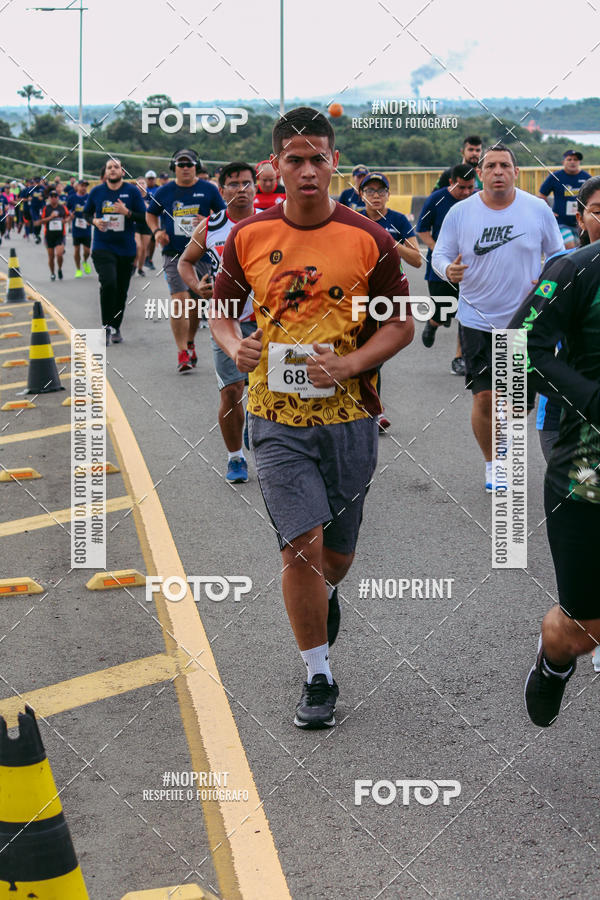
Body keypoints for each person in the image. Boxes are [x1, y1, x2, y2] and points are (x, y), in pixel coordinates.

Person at [211, 107, 413, 729]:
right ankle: (318, 674)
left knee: (337, 557)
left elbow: (401, 323)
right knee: (300, 547)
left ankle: (325, 596)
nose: (305, 170)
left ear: (333, 165)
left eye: (317, 159)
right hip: (274, 419)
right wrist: (231, 344)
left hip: (351, 417)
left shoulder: (368, 239)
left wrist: (350, 367)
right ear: (275, 166)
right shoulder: (248, 237)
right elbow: (221, 310)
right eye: (293, 159)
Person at [508, 176, 600, 727]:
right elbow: (521, 344)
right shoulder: (571, 268)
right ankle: (554, 660)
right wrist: (593, 399)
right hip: (587, 476)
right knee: (583, 628)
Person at [432, 143, 563, 491]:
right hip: (477, 318)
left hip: (525, 321)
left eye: (505, 165)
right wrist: (448, 270)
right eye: (490, 166)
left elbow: (559, 256)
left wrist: (547, 280)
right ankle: (493, 463)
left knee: (516, 403)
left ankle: (506, 447)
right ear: (480, 173)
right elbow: (439, 254)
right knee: (485, 397)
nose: (498, 172)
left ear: (516, 172)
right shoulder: (461, 213)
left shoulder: (537, 209)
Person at [178, 161, 258, 483]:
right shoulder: (211, 227)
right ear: (222, 189)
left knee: (272, 387)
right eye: (234, 184)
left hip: (268, 320)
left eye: (247, 183)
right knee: (232, 391)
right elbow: (185, 262)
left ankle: (259, 429)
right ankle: (235, 457)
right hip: (226, 320)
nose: (241, 190)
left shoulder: (273, 221)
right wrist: (197, 287)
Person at [146, 148, 225, 372]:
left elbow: (224, 215)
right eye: (181, 165)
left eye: (189, 164)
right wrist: (156, 232)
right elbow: (151, 213)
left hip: (201, 255)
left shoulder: (208, 189)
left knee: (196, 302)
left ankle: (190, 342)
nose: (186, 168)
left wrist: (209, 219)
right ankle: (182, 352)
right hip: (173, 254)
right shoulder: (164, 191)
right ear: (174, 168)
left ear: (196, 167)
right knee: (180, 301)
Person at [359, 170, 421, 430]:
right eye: (370, 191)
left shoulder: (398, 221)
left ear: (388, 194)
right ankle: (373, 410)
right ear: (361, 195)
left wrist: (391, 243)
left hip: (391, 292)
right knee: (364, 348)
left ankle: (373, 408)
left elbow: (417, 259)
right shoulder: (354, 220)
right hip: (360, 292)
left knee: (376, 353)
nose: (376, 196)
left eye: (381, 191)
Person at [417, 163, 476, 375]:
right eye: (462, 188)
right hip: (440, 268)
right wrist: (438, 250)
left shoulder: (477, 199)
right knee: (445, 311)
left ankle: (459, 358)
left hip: (468, 268)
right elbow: (422, 230)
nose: (467, 192)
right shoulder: (437, 199)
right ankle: (433, 323)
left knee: (465, 313)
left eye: (471, 187)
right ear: (451, 182)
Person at [84, 157, 147, 345]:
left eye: (116, 167)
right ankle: (105, 327)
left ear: (122, 171)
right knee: (109, 283)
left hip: (126, 248)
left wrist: (127, 212)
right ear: (105, 173)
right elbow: (86, 214)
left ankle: (116, 326)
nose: (112, 170)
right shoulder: (96, 191)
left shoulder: (132, 191)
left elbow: (144, 217)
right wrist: (95, 221)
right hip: (103, 246)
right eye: (109, 167)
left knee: (121, 290)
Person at [537, 150, 592, 249]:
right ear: (563, 162)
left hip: (580, 223)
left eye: (575, 159)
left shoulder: (586, 177)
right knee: (569, 245)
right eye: (569, 159)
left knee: (581, 248)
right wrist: (548, 211)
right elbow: (541, 195)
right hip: (561, 222)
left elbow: (594, 197)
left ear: (579, 162)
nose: (572, 162)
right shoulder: (555, 177)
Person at [36, 189, 70, 280]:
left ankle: (59, 269)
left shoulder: (62, 207)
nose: (54, 198)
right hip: (49, 235)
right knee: (51, 257)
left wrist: (65, 221)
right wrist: (51, 217)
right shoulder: (45, 208)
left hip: (60, 235)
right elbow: (41, 221)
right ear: (49, 198)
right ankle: (52, 273)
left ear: (58, 198)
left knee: (59, 254)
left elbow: (68, 216)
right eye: (52, 197)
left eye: (56, 196)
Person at [67, 179, 92, 277]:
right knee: (76, 249)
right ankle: (78, 269)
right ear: (77, 186)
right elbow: (67, 209)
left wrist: (92, 219)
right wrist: (70, 214)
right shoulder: (72, 198)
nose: (84, 188)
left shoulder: (89, 197)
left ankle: (85, 261)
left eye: (85, 186)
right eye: (82, 185)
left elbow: (94, 209)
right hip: (76, 227)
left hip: (87, 227)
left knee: (87, 251)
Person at [143, 170, 159, 269]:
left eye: (152, 179)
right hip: (142, 218)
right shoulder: (143, 189)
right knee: (143, 241)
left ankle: (149, 259)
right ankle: (141, 259)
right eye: (149, 179)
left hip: (155, 218)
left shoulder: (159, 189)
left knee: (152, 239)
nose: (151, 180)